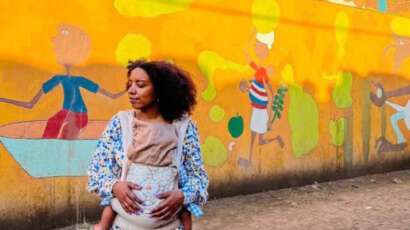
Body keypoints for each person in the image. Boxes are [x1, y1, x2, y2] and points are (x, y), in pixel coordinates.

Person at [87, 60, 209, 230]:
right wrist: (115, 186)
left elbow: (199, 178)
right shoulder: (120, 123)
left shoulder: (183, 128)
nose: (131, 90)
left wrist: (183, 195)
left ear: (160, 90)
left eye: (140, 84)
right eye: (129, 84)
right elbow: (96, 172)